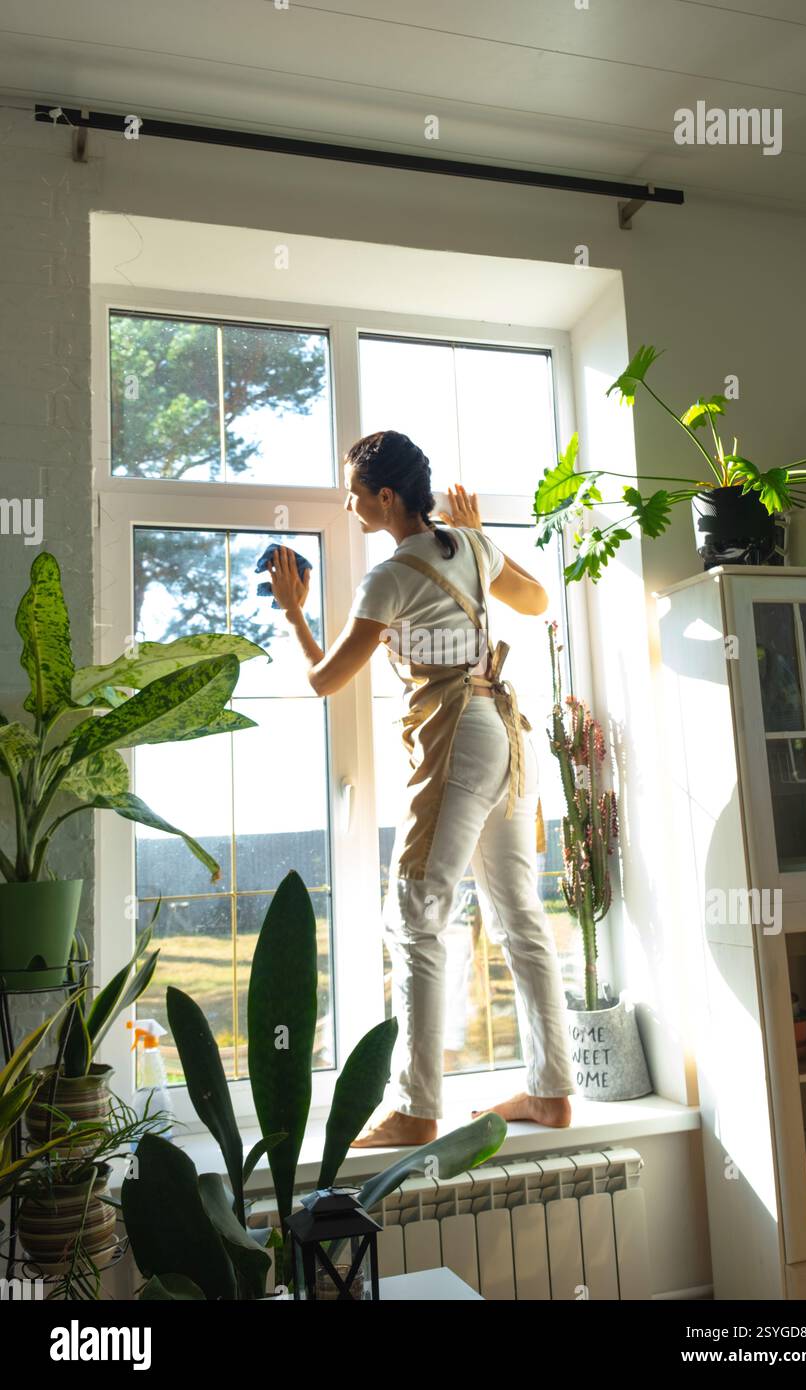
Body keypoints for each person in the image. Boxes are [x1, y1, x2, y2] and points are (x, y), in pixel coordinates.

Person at [266, 429, 574, 1148]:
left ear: (385, 496)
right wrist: (479, 537)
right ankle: (552, 1092)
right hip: (501, 732)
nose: (347, 503)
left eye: (353, 492)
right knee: (519, 915)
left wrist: (294, 611)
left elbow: (324, 680)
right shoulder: (467, 545)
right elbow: (535, 599)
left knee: (413, 915)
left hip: (457, 739)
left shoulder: (390, 576)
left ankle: (416, 1105)